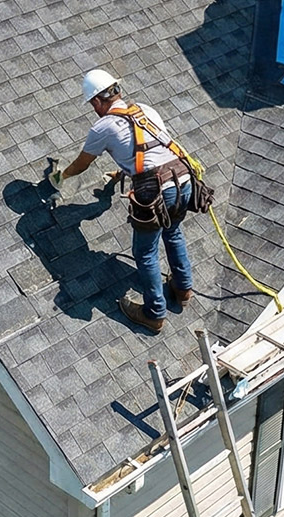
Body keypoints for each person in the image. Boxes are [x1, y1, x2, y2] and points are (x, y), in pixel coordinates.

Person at [51, 69, 195, 332]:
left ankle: (154, 313)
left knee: (145, 253)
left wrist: (62, 176)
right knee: (173, 233)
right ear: (117, 91)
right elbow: (153, 150)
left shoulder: (103, 126)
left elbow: (82, 164)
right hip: (182, 179)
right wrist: (125, 171)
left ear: (96, 101)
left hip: (156, 190)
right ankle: (183, 289)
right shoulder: (144, 110)